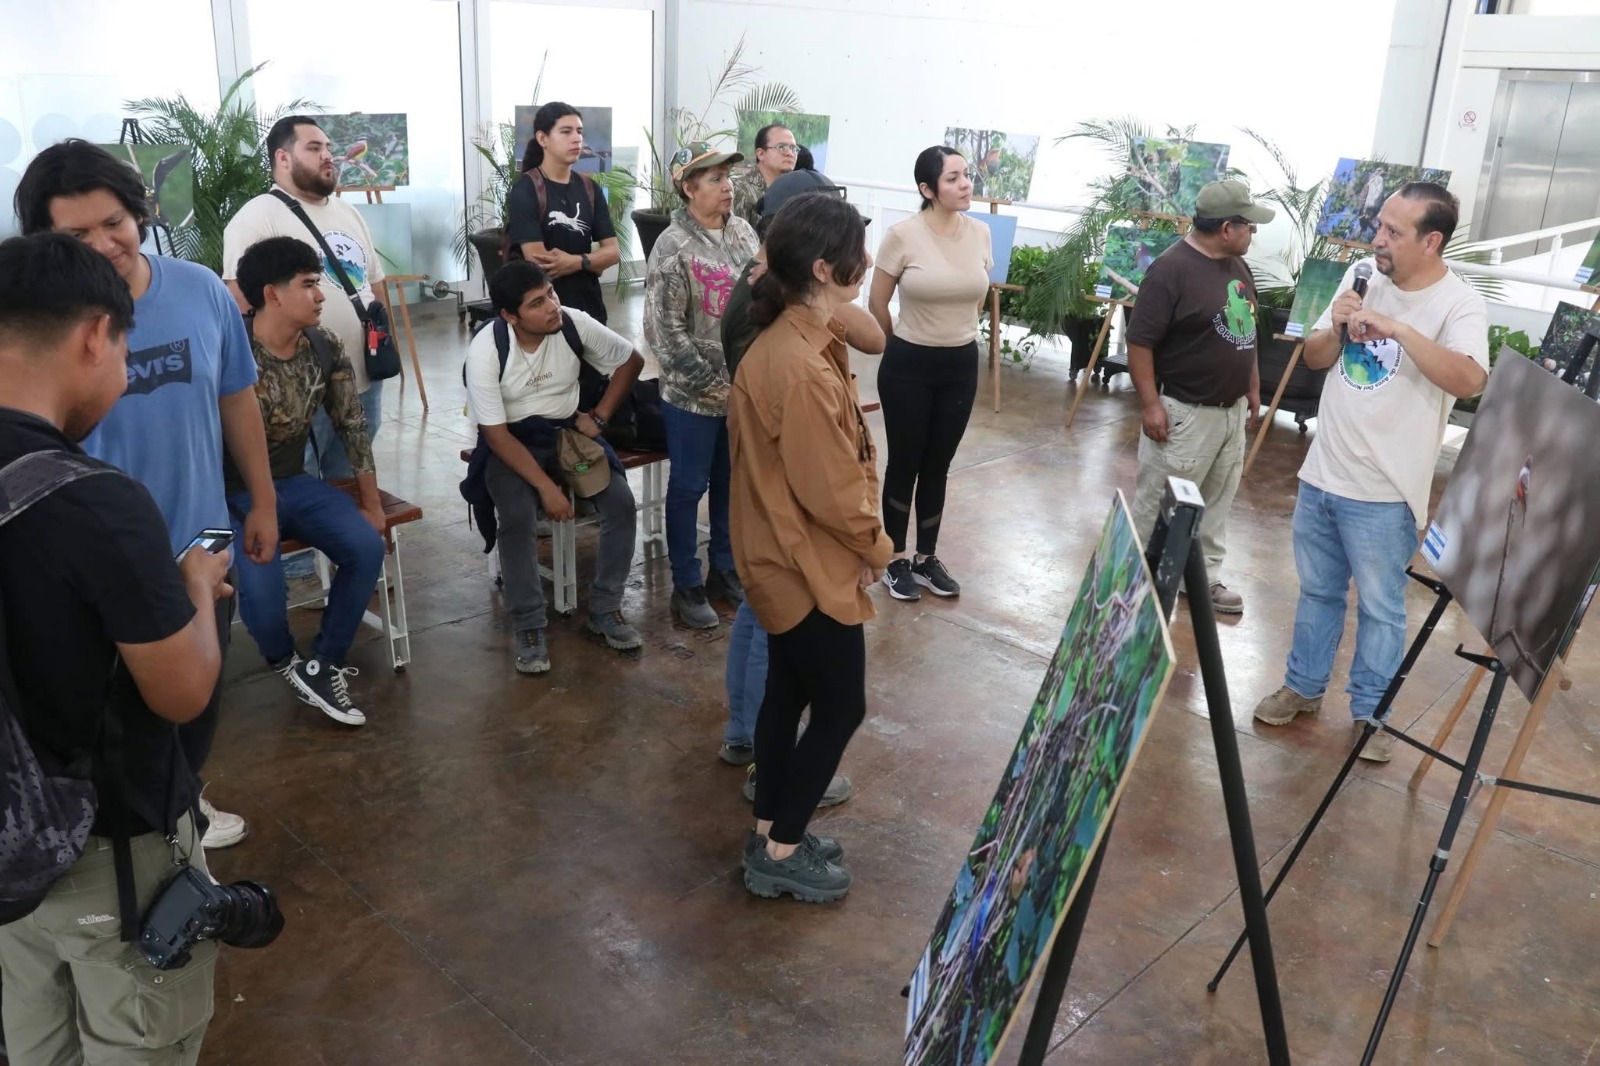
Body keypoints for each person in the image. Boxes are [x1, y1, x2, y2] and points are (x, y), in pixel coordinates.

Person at [0, 231, 232, 1064]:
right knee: (137, 1037)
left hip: (8, 861)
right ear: (96, 334)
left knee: (32, 1034)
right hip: (108, 850)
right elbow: (180, 692)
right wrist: (196, 589)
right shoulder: (98, 503)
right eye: (126, 349)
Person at [15, 139, 270, 851]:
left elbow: (238, 399)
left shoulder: (199, 290)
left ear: (141, 213)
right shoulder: (39, 329)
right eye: (76, 235)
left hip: (204, 542)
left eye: (115, 222)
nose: (104, 245)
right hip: (94, 560)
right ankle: (132, 840)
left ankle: (184, 801)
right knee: (110, 721)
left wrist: (264, 501)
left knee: (198, 706)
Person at [1252, 183, 1489, 762]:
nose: (1377, 239)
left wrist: (1402, 330)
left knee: (1382, 608)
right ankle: (1303, 688)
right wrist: (1334, 328)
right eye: (1379, 225)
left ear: (1431, 242)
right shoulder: (1362, 272)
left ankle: (1371, 714)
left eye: (1393, 232)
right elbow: (1312, 358)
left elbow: (1470, 381)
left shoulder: (1459, 303)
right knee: (1317, 592)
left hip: (1386, 492)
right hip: (1323, 474)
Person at [728, 191, 892, 902]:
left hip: (779, 551)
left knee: (788, 692)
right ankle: (781, 853)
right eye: (858, 253)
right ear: (825, 269)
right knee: (840, 707)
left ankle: (769, 824)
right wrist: (881, 550)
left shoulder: (800, 339)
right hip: (803, 559)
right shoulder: (797, 364)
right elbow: (831, 491)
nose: (868, 262)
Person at [230, 237, 387, 726]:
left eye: (319, 282)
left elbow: (351, 422)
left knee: (365, 545)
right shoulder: (230, 350)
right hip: (229, 493)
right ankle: (285, 661)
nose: (321, 295)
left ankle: (325, 662)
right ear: (271, 294)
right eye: (309, 284)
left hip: (292, 481)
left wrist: (371, 501)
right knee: (261, 598)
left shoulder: (323, 344)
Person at [464, 260, 646, 674]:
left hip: (568, 436)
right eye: (536, 303)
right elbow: (495, 435)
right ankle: (529, 625)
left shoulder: (571, 323)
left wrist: (599, 417)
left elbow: (629, 361)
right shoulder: (487, 349)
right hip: (513, 442)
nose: (551, 306)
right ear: (510, 316)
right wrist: (546, 488)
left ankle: (606, 609)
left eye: (551, 293)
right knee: (515, 516)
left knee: (619, 503)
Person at [1126, 180, 1273, 615]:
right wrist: (1151, 404)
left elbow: (1245, 331)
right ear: (1226, 228)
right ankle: (1139, 586)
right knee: (1160, 503)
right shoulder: (1171, 270)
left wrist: (1252, 383)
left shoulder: (1237, 266)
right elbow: (1140, 342)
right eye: (1249, 226)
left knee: (1216, 501)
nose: (1253, 234)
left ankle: (1203, 579)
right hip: (1185, 414)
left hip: (1229, 414)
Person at [223, 115, 388, 480]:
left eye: (328, 147)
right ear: (283, 158)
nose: (327, 155)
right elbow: (242, 306)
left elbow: (374, 285)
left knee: (349, 485)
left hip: (361, 381)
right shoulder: (255, 218)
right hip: (301, 392)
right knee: (305, 483)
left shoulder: (348, 212)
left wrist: (382, 342)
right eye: (314, 148)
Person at [643, 142, 760, 629]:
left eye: (727, 176)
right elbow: (664, 334)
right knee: (690, 487)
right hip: (692, 398)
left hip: (743, 392)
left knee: (732, 485)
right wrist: (718, 390)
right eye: (712, 178)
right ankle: (687, 584)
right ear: (688, 189)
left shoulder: (744, 234)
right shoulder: (672, 247)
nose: (726, 184)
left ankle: (725, 570)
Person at [867, 145, 990, 602]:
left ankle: (926, 558)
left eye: (966, 175)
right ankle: (895, 558)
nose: (965, 184)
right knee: (905, 462)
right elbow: (877, 303)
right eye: (953, 178)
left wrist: (954, 329)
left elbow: (976, 298)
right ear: (927, 189)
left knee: (939, 463)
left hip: (960, 364)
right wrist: (898, 340)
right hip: (908, 365)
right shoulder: (903, 235)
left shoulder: (979, 233)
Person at [505, 102, 622, 326]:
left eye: (579, 131)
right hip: (547, 315)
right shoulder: (527, 189)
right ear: (543, 139)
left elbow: (613, 252)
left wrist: (576, 262)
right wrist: (591, 262)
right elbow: (539, 261)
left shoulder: (590, 188)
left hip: (591, 310)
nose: (576, 138)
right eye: (566, 131)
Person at [729, 123, 798, 228]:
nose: (790, 153)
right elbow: (736, 239)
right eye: (781, 147)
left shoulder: (796, 191)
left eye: (793, 148)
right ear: (761, 154)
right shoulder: (741, 189)